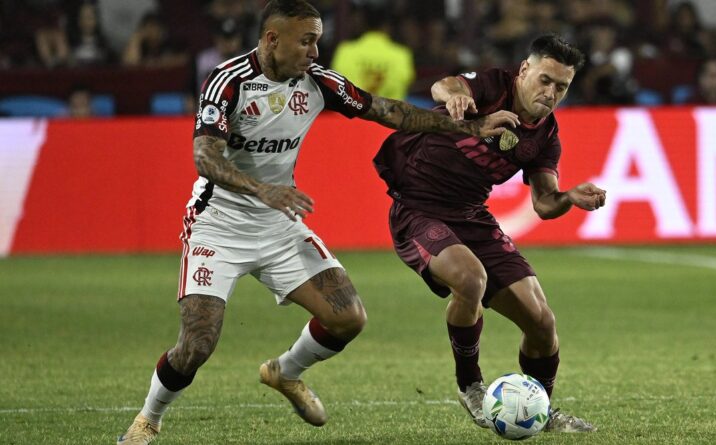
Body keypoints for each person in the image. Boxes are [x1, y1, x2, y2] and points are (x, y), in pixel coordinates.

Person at [115, 1, 518, 444]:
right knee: (197, 343)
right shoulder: (228, 81)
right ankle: (148, 419)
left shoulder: (318, 82)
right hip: (219, 225)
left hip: (279, 223)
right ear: (272, 39)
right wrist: (261, 189)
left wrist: (469, 128)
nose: (315, 51)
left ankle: (285, 372)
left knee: (348, 318)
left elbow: (388, 111)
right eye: (306, 41)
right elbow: (204, 156)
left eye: (317, 40)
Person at [373, 34, 605, 433]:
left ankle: (540, 411)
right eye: (545, 80)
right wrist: (455, 99)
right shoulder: (494, 86)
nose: (551, 93)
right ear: (525, 70)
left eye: (561, 87)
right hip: (418, 208)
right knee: (470, 279)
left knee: (542, 323)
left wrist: (568, 197)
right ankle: (470, 385)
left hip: (472, 216)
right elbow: (446, 86)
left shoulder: (546, 136)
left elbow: (544, 203)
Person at [330, 5, 414, 100]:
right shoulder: (401, 55)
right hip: (390, 109)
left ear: (362, 23)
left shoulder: (345, 51)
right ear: (387, 26)